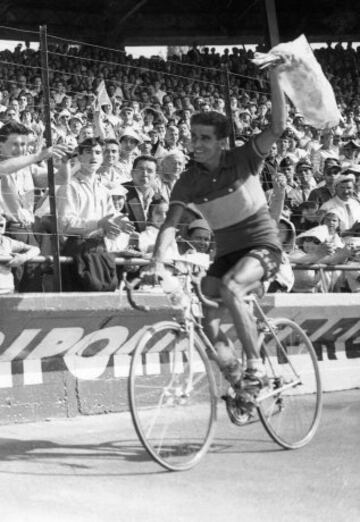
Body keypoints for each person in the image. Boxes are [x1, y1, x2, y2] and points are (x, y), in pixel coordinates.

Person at [150, 67, 287, 401]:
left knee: (231, 288)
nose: (196, 143)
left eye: (205, 138)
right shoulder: (187, 179)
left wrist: (275, 78)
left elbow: (278, 128)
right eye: (193, 136)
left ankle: (255, 366)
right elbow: (171, 223)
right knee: (207, 319)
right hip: (225, 254)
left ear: (221, 142)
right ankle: (239, 381)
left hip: (262, 247)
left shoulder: (243, 158)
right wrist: (156, 260)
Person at [0, 214, 40, 294]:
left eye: (1, 225)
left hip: (7, 289)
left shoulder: (8, 242)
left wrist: (23, 257)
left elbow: (36, 249)